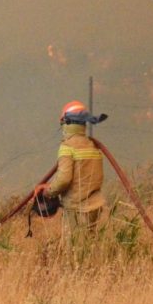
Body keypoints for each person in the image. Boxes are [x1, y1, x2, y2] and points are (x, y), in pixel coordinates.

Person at [35, 101, 107, 240]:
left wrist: (48, 191)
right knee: (90, 244)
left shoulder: (67, 147)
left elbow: (64, 179)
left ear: (67, 123)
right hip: (95, 206)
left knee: (74, 249)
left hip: (77, 208)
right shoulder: (92, 145)